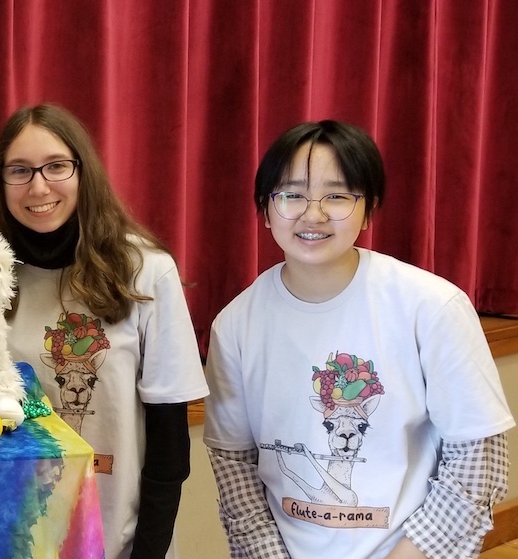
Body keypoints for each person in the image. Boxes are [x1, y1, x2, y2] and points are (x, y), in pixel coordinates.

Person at [202, 120, 513, 558]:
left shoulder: (432, 306)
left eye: (337, 195)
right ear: (266, 209)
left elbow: (479, 463)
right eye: (292, 195)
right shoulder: (235, 324)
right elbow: (235, 467)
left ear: (368, 210)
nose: (313, 214)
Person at [0, 104, 209, 559]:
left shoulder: (147, 273)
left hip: (117, 540)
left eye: (56, 167)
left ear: (83, 171)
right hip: (13, 535)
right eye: (20, 170)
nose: (39, 186)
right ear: (0, 181)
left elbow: (169, 443)